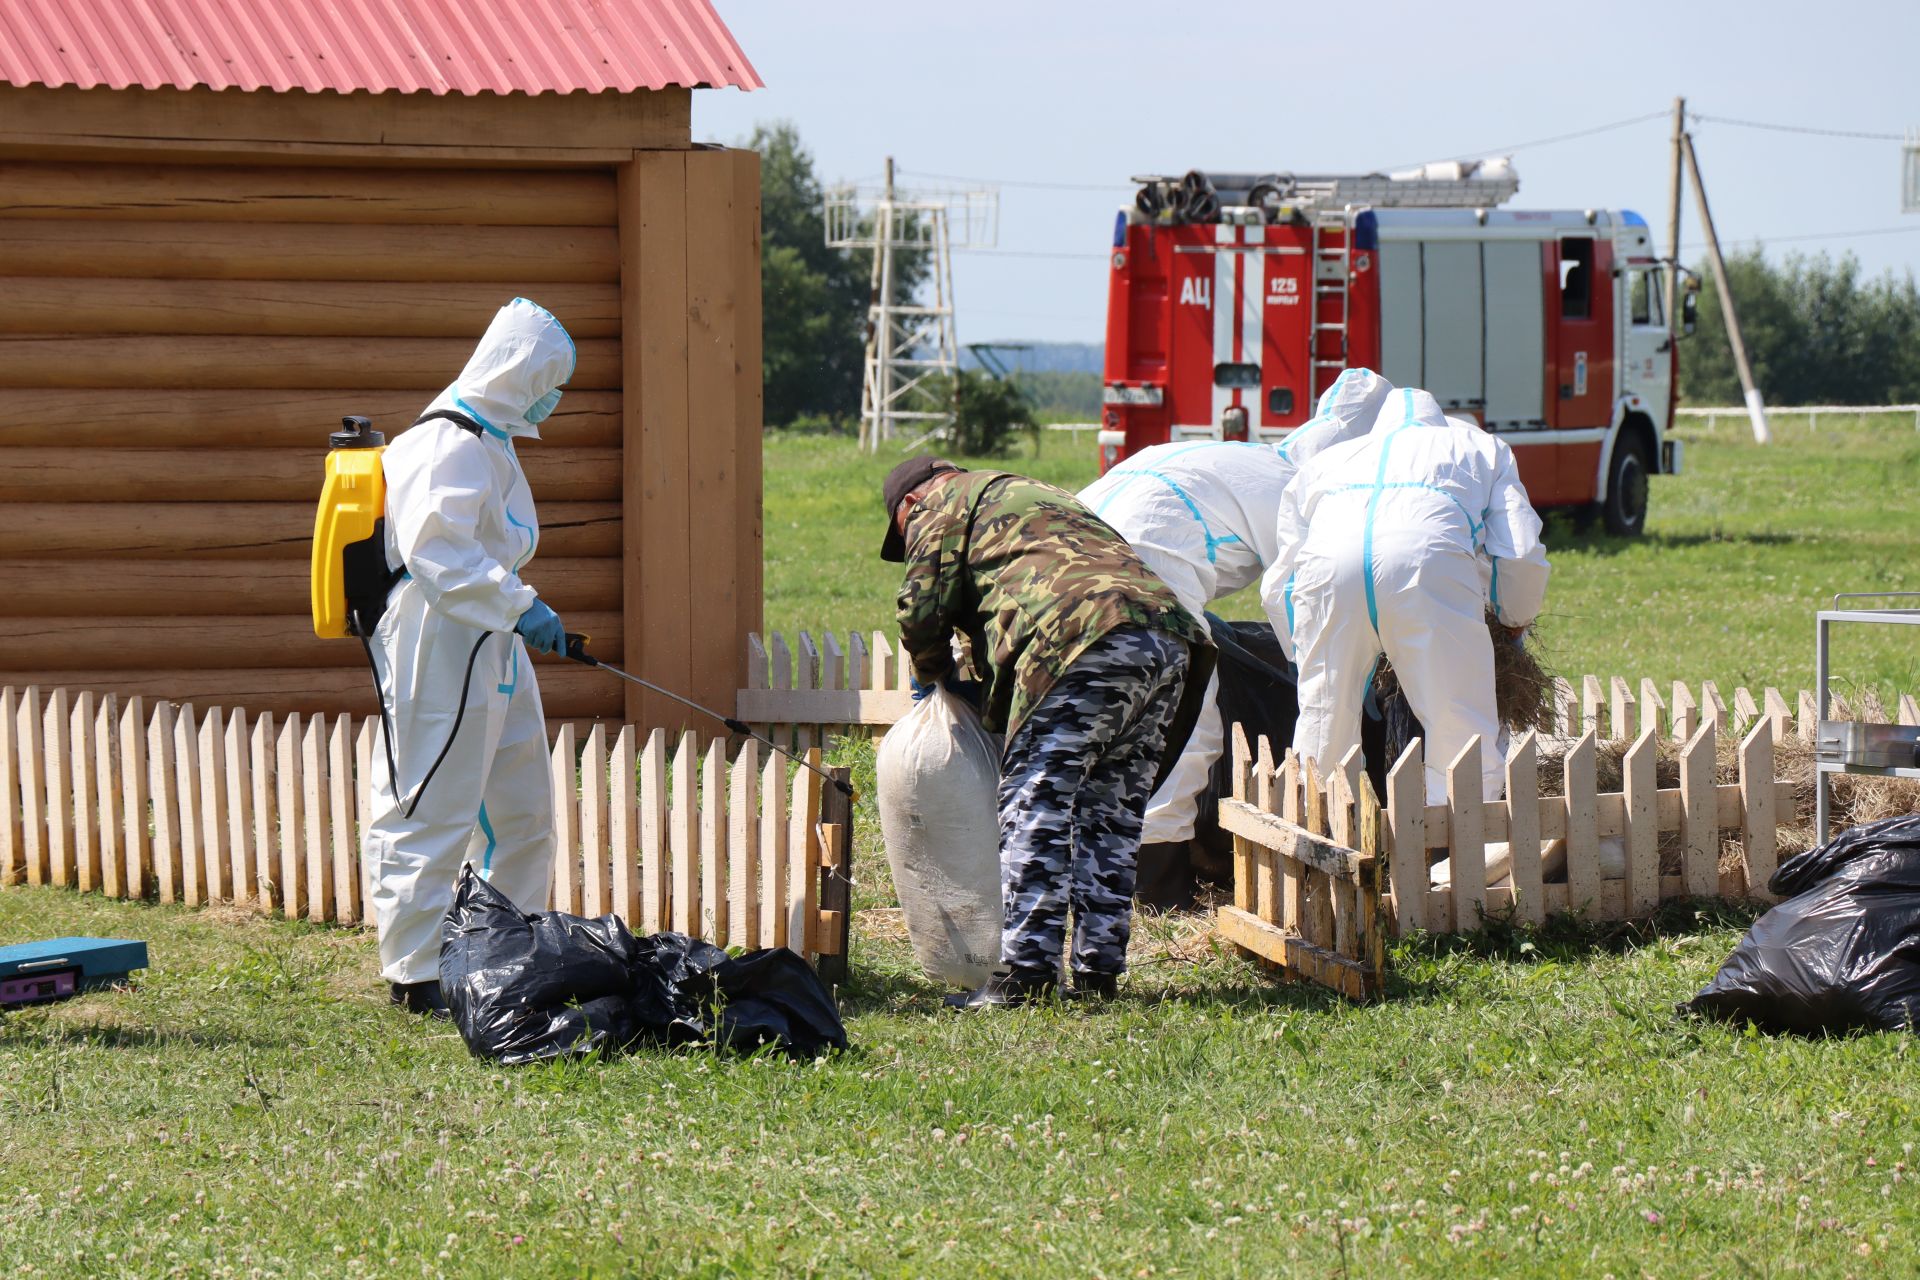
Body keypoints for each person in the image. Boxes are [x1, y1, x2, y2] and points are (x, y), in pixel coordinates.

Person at [883, 456, 1216, 1007]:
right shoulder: (1036, 494)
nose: (911, 537)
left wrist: (933, 678)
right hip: (1166, 642)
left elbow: (920, 609)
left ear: (911, 505)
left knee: (1036, 799)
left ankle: (1026, 974)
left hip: (1081, 643)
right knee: (1111, 813)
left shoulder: (941, 505)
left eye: (903, 530)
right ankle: (1097, 973)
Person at [1077, 368, 1395, 851]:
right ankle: (1155, 878)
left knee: (1090, 712)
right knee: (1185, 723)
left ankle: (1084, 851)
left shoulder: (1233, 456)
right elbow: (1297, 598)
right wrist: (1333, 676)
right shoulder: (1297, 489)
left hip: (1065, 559)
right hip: (1142, 577)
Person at [364, 298, 575, 1017]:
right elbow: (438, 556)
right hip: (440, 641)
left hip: (490, 641)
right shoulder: (444, 442)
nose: (554, 396)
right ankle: (417, 972)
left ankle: (503, 949)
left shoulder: (490, 439)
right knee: (428, 804)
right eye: (550, 379)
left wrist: (515, 614)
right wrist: (521, 606)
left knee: (521, 807)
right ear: (519, 371)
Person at [1263, 387, 1549, 804]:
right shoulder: (1482, 448)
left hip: (1326, 575)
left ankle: (1321, 854)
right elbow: (1520, 550)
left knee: (1323, 726)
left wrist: (1302, 648)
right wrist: (1512, 617)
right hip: (1426, 571)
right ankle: (1453, 861)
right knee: (1461, 731)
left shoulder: (1327, 461)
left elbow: (1283, 579)